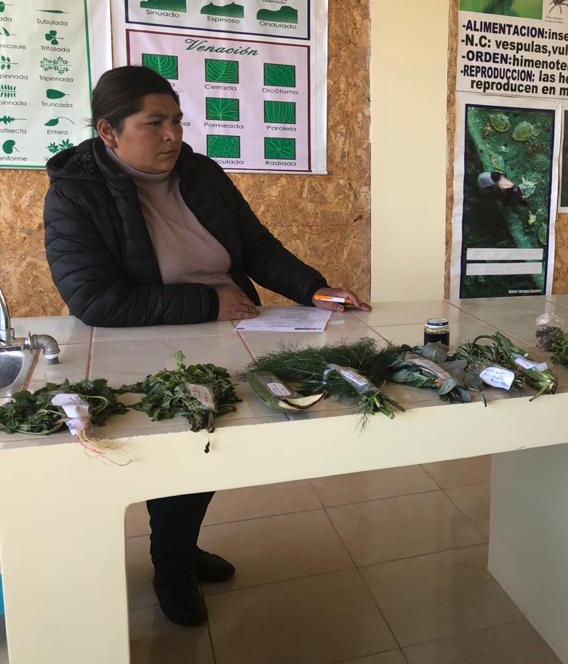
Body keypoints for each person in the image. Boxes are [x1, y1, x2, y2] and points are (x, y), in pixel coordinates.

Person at [43, 65, 370, 627]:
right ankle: (171, 566)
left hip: (228, 333)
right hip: (149, 342)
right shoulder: (75, 194)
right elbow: (95, 300)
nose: (172, 135)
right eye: (154, 124)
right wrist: (207, 302)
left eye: (177, 121)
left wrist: (312, 288)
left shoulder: (200, 173)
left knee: (208, 446)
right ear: (108, 132)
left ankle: (178, 549)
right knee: (188, 444)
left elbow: (256, 247)